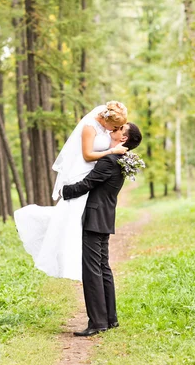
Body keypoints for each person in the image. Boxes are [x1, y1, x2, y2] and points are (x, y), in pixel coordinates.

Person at [14, 101, 128, 281]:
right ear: (106, 120)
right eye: (114, 126)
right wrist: (112, 151)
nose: (114, 130)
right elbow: (87, 155)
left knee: (73, 217)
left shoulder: (104, 123)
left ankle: (75, 258)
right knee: (70, 214)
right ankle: (30, 218)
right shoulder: (90, 126)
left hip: (94, 170)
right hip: (83, 169)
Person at [61, 122, 143, 336]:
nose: (114, 129)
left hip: (95, 217)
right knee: (103, 267)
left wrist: (64, 190)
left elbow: (88, 184)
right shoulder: (120, 159)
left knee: (92, 270)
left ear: (123, 138)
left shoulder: (109, 160)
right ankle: (109, 319)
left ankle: (97, 322)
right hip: (105, 216)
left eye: (119, 129)